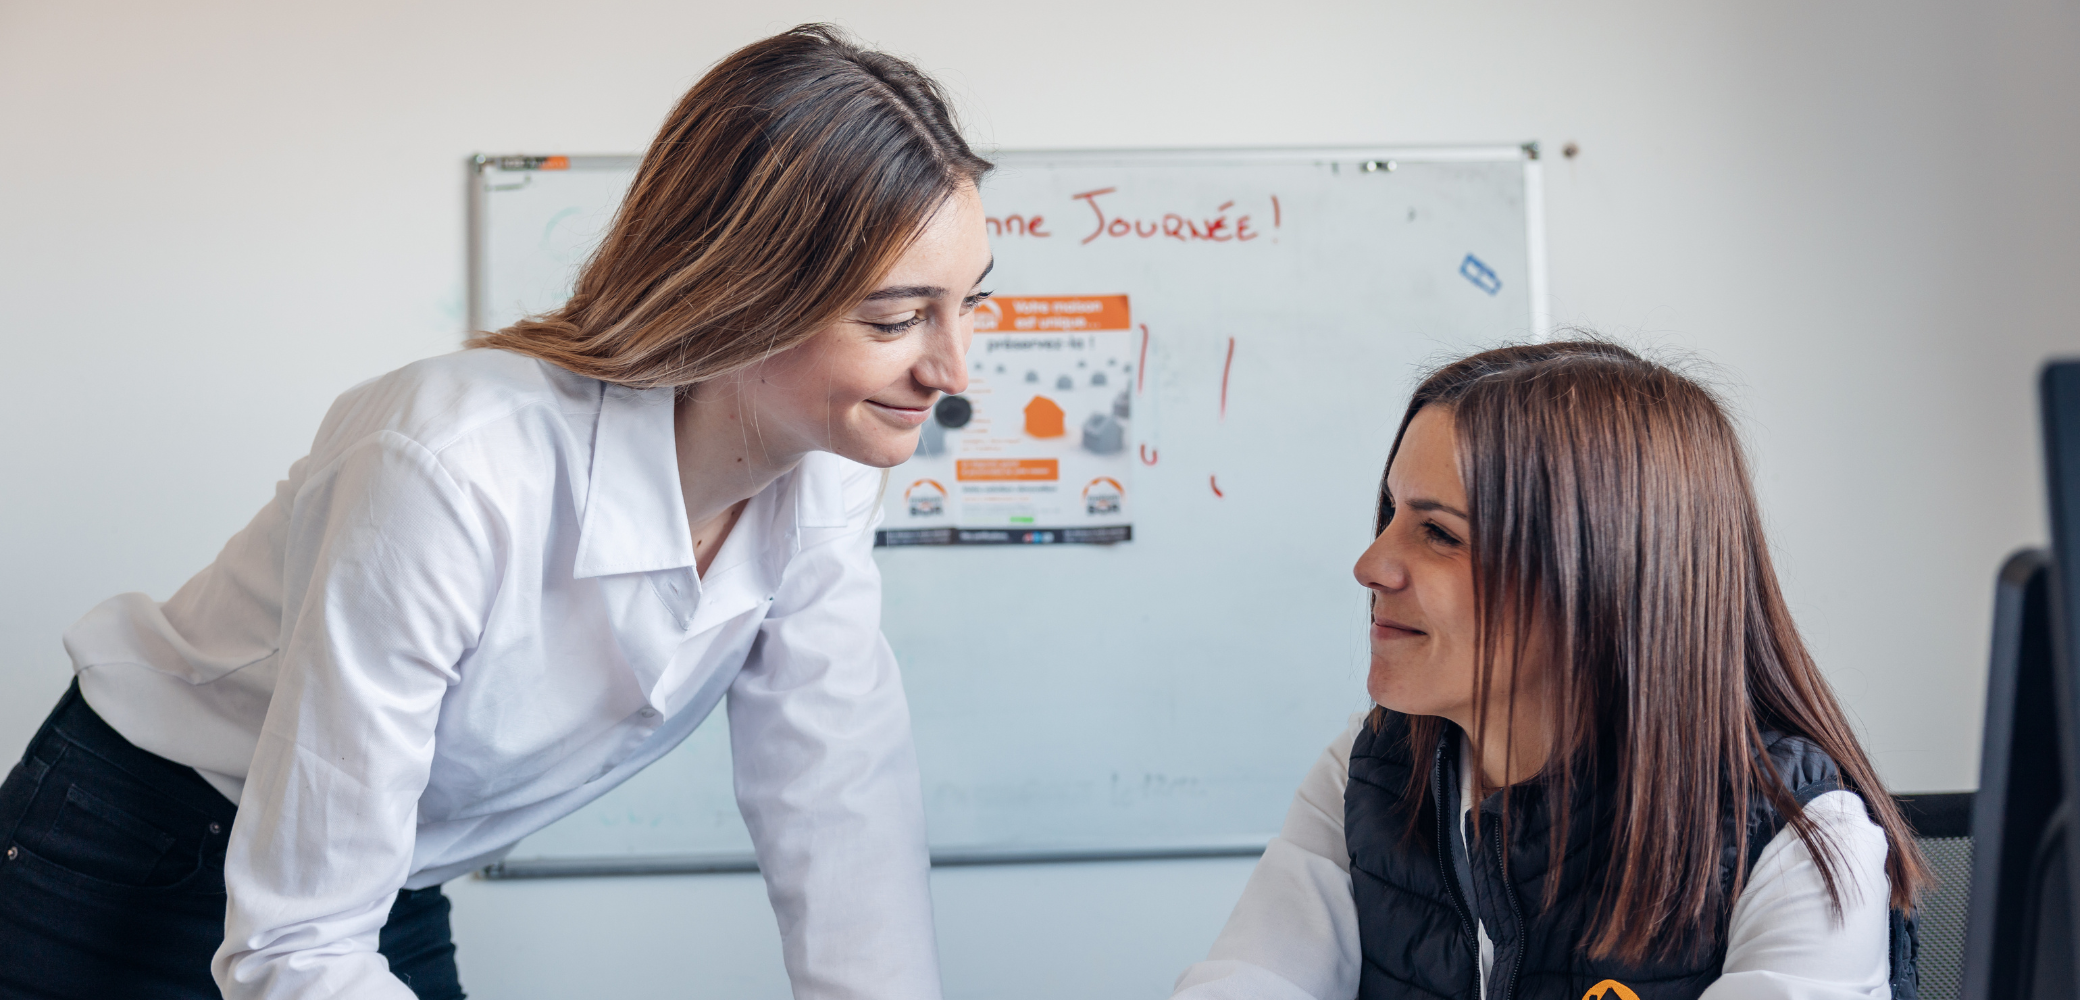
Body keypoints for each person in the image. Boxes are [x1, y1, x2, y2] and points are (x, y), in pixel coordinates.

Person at [0, 24, 992, 1000]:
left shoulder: (823, 471)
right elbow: (296, 941)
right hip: (129, 845)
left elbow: (838, 813)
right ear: (742, 298)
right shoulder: (449, 464)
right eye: (895, 318)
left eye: (968, 304)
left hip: (382, 864)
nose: (953, 372)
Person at [1173, 341, 1927, 1000]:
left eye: (1438, 533)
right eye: (1391, 515)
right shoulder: (1371, 771)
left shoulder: (1803, 846)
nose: (1371, 565)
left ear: (1596, 577)